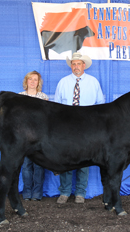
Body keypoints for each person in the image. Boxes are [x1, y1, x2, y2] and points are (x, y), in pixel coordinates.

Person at [54, 52, 105, 204]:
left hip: (87, 127)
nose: (76, 66)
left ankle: (80, 193)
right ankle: (65, 191)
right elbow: (56, 107)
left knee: (85, 160)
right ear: (71, 66)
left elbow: (101, 105)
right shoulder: (63, 82)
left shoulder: (93, 82)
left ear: (84, 66)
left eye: (79, 64)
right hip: (66, 127)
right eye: (74, 64)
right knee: (66, 159)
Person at [19, 71, 49, 201]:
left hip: (39, 137)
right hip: (24, 137)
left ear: (39, 82)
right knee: (26, 166)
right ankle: (26, 192)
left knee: (39, 165)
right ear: (26, 81)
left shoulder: (44, 98)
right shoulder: (19, 97)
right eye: (30, 79)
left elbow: (47, 119)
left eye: (35, 79)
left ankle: (37, 193)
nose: (32, 82)